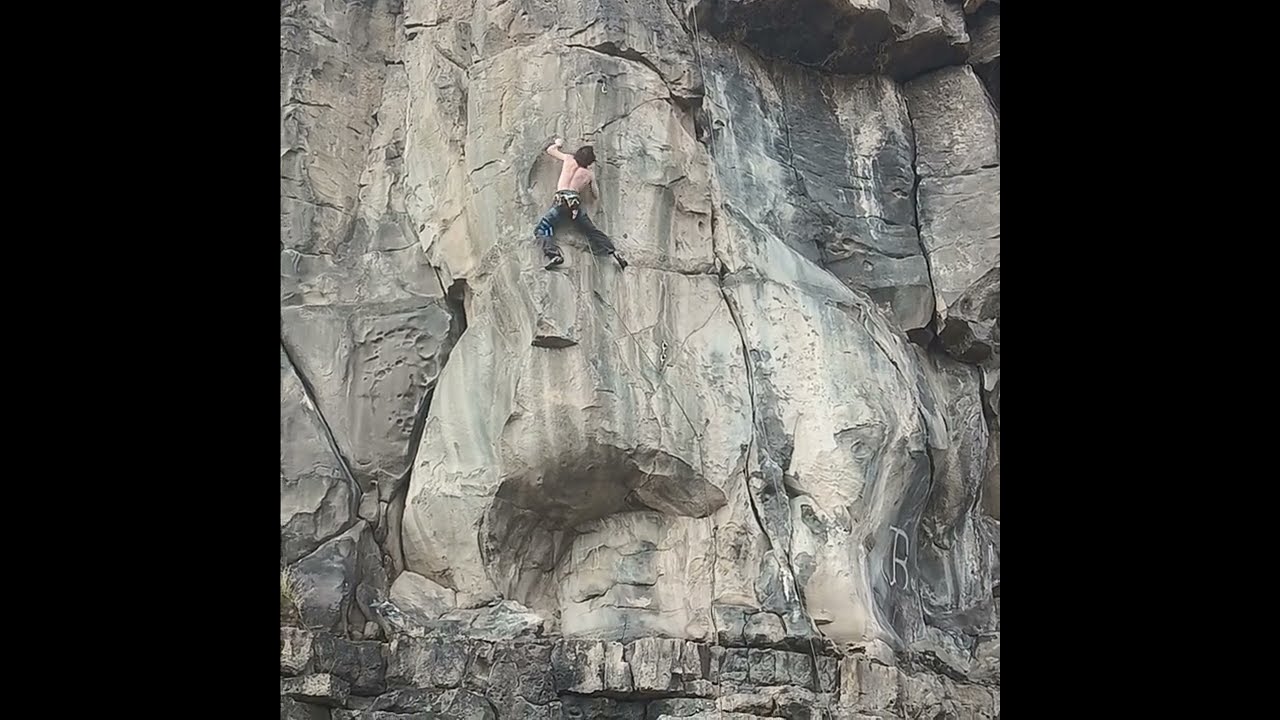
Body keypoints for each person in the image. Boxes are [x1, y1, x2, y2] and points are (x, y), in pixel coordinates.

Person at [533, 138, 628, 270]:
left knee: (543, 228)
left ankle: (554, 254)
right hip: (575, 203)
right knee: (591, 231)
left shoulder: (568, 159)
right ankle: (613, 251)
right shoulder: (589, 174)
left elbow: (550, 150)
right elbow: (595, 195)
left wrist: (558, 144)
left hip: (560, 202)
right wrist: (589, 182)